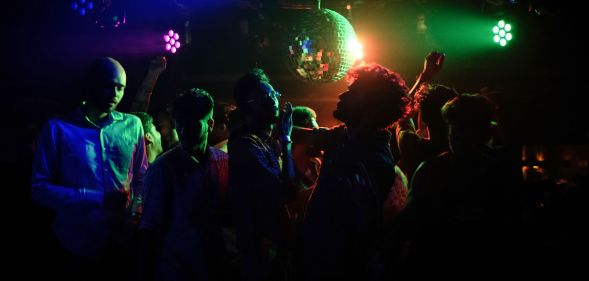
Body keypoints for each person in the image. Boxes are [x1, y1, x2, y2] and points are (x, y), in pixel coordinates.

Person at [30, 57, 148, 281]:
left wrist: (136, 212)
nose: (115, 93)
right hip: (76, 243)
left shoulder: (133, 125)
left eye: (120, 88)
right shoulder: (58, 129)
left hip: (121, 241)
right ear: (91, 83)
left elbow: (141, 177)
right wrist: (97, 198)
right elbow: (39, 189)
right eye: (108, 85)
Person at [292, 63, 409, 281]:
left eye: (354, 92)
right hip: (316, 258)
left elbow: (362, 230)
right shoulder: (341, 136)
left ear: (371, 107)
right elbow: (299, 134)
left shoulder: (375, 161)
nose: (343, 94)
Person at [397, 94, 519, 281]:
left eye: (465, 137)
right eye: (455, 136)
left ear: (484, 134)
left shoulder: (433, 170)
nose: (458, 143)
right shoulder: (499, 171)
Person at [139, 88, 229, 281]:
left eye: (192, 124)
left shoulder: (225, 163)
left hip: (216, 268)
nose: (184, 131)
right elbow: (149, 230)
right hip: (176, 271)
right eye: (180, 124)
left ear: (210, 124)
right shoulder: (162, 169)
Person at [228, 68, 295, 281]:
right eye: (264, 97)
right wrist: (286, 139)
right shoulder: (245, 145)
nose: (273, 101)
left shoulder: (265, 141)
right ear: (246, 108)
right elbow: (285, 191)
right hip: (259, 253)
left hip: (272, 249)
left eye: (273, 94)